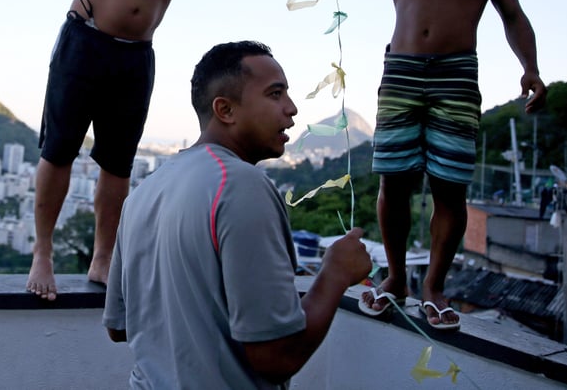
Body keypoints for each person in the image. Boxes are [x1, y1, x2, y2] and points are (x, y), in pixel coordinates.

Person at [27, 0, 336, 300]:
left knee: (118, 165)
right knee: (59, 149)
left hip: (136, 53)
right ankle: (42, 252)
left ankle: (103, 257)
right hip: (86, 37)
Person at [333, 0, 546, 331]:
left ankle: (434, 286)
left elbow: (513, 15)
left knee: (450, 185)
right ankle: (394, 279)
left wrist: (530, 67)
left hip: (457, 74)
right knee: (394, 180)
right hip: (403, 71)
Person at [103, 41, 372, 388]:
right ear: (225, 110)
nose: (291, 109)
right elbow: (276, 357)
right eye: (275, 94)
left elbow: (118, 326)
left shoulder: (145, 192)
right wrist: (334, 273)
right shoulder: (240, 185)